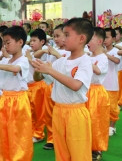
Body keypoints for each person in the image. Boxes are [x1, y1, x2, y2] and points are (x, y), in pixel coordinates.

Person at [32, 18, 94, 161]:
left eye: (67, 35)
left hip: (76, 113)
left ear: (81, 38)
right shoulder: (60, 62)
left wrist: (50, 70)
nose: (63, 39)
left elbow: (75, 85)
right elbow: (38, 78)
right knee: (61, 151)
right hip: (58, 111)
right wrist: (39, 69)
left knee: (78, 152)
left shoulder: (85, 61)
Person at [0, 26, 33, 161]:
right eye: (4, 43)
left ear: (20, 42)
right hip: (4, 98)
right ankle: (4, 157)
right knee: (4, 132)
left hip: (18, 100)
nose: (5, 46)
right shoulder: (5, 61)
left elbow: (15, 69)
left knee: (18, 134)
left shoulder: (23, 60)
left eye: (8, 42)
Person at [33, 24, 71, 150]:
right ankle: (52, 138)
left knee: (65, 114)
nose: (55, 39)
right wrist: (46, 50)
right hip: (50, 84)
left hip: (65, 85)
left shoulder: (70, 51)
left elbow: (69, 68)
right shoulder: (51, 50)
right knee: (49, 114)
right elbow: (36, 56)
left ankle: (65, 138)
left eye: (58, 36)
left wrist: (56, 53)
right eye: (54, 36)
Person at [86, 27, 110, 161]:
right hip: (84, 90)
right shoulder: (88, 56)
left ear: (100, 41)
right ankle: (86, 145)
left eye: (90, 39)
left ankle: (97, 148)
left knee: (96, 121)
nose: (87, 42)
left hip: (96, 92)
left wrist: (83, 58)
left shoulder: (103, 58)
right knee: (85, 120)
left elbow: (98, 71)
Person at [25, 29, 47, 144]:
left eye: (34, 40)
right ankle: (32, 131)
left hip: (39, 85)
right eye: (31, 40)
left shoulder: (43, 53)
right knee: (31, 111)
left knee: (39, 112)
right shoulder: (31, 53)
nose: (31, 43)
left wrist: (28, 57)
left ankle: (39, 133)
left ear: (42, 42)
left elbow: (35, 65)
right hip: (29, 86)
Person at [102, 28, 121, 137]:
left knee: (113, 107)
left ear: (113, 39)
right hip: (101, 84)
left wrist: (106, 54)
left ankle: (112, 126)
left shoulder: (115, 51)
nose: (105, 40)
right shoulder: (99, 50)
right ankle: (104, 124)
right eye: (103, 37)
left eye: (107, 37)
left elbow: (117, 60)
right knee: (102, 106)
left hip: (112, 84)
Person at [114, 27, 122, 108]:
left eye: (116, 34)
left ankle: (119, 102)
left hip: (120, 69)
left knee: (120, 86)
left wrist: (113, 44)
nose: (114, 36)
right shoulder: (108, 45)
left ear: (121, 35)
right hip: (111, 70)